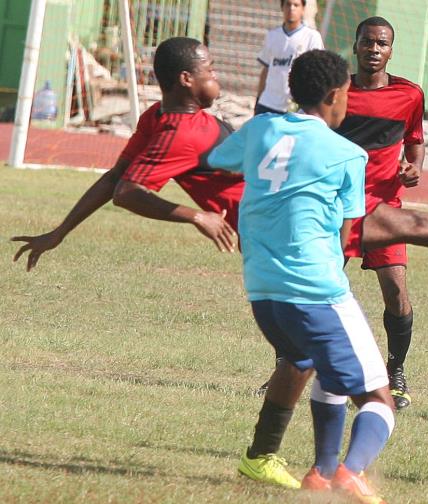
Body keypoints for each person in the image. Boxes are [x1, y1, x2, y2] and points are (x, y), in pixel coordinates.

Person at [209, 49, 392, 503]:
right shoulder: (347, 153)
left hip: (263, 292)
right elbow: (349, 231)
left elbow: (218, 158)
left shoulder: (260, 129)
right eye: (347, 95)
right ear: (334, 95)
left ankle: (321, 472)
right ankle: (351, 472)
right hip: (317, 291)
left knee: (315, 364)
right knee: (379, 401)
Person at [12, 37, 239, 272]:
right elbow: (126, 191)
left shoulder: (157, 116)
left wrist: (59, 233)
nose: (215, 77)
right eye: (210, 70)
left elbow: (116, 178)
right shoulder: (181, 133)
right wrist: (198, 216)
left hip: (269, 225)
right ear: (186, 79)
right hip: (270, 229)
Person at [335, 16, 424, 411]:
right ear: (355, 46)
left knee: (396, 292)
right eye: (368, 42)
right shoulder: (336, 92)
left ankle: (396, 374)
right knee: (313, 290)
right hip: (337, 208)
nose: (374, 49)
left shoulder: (409, 95)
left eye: (382, 43)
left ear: (391, 49)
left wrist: (413, 167)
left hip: (385, 209)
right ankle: (288, 367)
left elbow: (415, 142)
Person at [254, 0, 324, 115]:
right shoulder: (272, 35)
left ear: (303, 9)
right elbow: (266, 69)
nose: (291, 8)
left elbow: (317, 73)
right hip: (267, 103)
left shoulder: (312, 37)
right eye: (288, 4)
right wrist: (258, 99)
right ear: (282, 7)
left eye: (296, 5)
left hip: (295, 106)